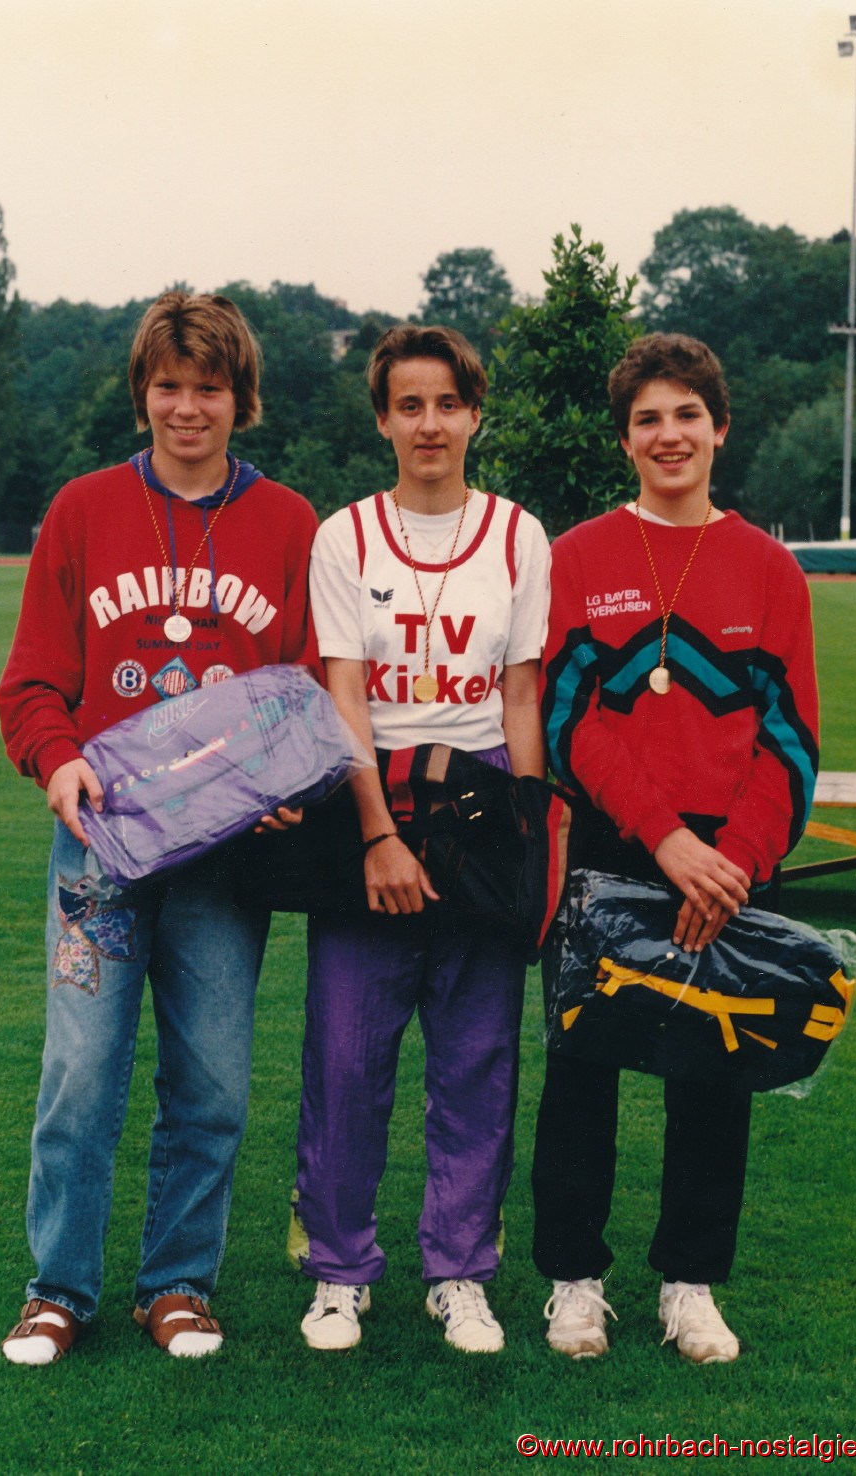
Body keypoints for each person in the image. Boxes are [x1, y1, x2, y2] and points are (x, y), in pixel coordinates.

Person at [0, 291, 318, 1364]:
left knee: (214, 1080)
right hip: (101, 847)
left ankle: (177, 1283)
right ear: (144, 392)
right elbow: (33, 680)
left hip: (223, 860)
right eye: (170, 386)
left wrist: (290, 784)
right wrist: (59, 759)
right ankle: (58, 1287)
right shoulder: (83, 509)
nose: (189, 407)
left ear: (242, 398)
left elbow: (306, 690)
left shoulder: (286, 522)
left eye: (210, 387)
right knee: (82, 1072)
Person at [532, 332, 819, 1365]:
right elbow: (568, 722)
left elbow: (789, 740)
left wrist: (729, 855)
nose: (669, 435)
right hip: (615, 844)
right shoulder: (576, 558)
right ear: (625, 438)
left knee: (714, 1076)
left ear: (719, 427)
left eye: (686, 414)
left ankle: (689, 1284)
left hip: (732, 862)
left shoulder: (769, 568)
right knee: (582, 1071)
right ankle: (573, 1279)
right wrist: (664, 843)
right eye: (648, 418)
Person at [289, 324, 551, 1354]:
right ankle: (339, 1273)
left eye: (447, 402)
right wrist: (377, 836)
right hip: (371, 819)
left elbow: (520, 692)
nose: (429, 423)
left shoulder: (517, 533)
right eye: (409, 405)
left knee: (477, 1062)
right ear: (383, 420)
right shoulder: (344, 535)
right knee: (347, 1060)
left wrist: (526, 832)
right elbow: (342, 691)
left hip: (479, 820)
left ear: (474, 413)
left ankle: (460, 1272)